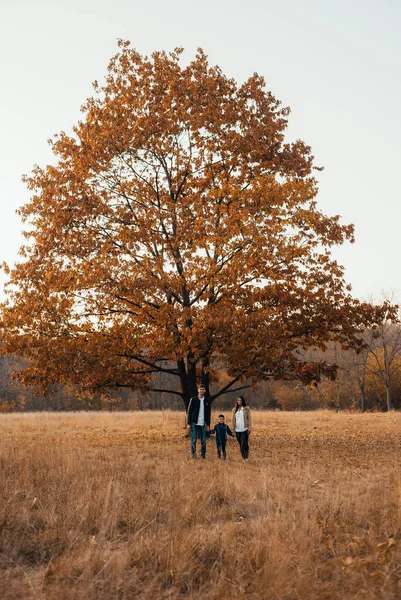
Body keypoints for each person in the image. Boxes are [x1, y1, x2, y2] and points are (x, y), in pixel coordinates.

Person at [186, 384, 211, 459]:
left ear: (205, 391)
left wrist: (208, 425)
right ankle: (194, 456)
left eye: (203, 389)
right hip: (194, 423)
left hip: (203, 423)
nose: (202, 391)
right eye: (200, 389)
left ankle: (203, 456)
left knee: (203, 440)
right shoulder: (193, 399)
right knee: (193, 440)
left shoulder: (207, 401)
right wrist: (188, 423)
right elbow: (189, 412)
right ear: (198, 390)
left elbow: (208, 414)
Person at [232, 396, 252, 460]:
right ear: (236, 401)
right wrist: (233, 429)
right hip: (237, 429)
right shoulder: (234, 409)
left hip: (245, 429)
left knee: (244, 443)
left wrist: (249, 427)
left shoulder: (246, 409)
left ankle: (245, 457)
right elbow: (233, 420)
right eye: (238, 400)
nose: (239, 401)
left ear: (243, 401)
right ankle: (243, 455)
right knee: (240, 443)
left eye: (240, 400)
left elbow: (250, 419)